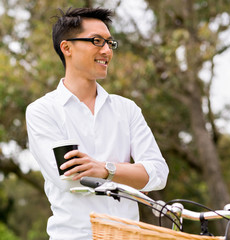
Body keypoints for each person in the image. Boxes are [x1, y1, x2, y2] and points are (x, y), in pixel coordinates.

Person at [26, 7, 169, 240]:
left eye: (109, 43)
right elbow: (69, 179)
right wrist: (131, 172)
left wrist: (105, 169)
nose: (106, 51)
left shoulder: (127, 109)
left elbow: (158, 173)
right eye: (96, 41)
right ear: (67, 48)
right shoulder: (42, 111)